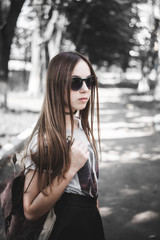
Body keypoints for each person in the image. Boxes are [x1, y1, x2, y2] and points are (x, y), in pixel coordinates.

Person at [23, 51, 105, 240]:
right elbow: (30, 210)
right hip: (66, 228)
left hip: (90, 224)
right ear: (56, 86)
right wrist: (69, 169)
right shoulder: (45, 140)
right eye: (75, 83)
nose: (85, 89)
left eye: (89, 81)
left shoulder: (79, 126)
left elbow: (93, 190)